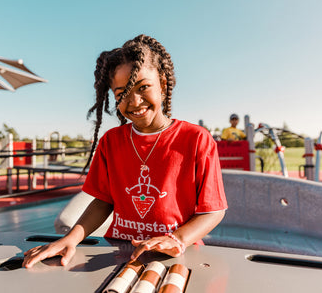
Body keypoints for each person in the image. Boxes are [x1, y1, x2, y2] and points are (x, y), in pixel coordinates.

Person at [23, 34, 227, 268]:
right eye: (122, 94)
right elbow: (102, 201)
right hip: (120, 250)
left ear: (162, 82)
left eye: (143, 87)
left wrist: (176, 240)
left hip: (178, 255)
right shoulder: (111, 141)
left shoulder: (196, 139)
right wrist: (71, 238)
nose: (134, 101)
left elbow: (213, 210)